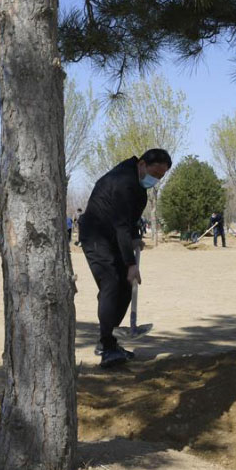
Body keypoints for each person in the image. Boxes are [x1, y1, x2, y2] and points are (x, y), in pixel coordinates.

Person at [79, 149, 172, 368]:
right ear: (142, 164)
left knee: (126, 287)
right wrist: (131, 264)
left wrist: (135, 237)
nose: (156, 180)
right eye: (154, 173)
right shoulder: (123, 181)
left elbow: (129, 220)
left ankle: (107, 339)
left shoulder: (138, 186)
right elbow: (121, 225)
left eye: (161, 177)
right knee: (111, 283)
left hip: (112, 238)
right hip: (96, 237)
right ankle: (107, 346)